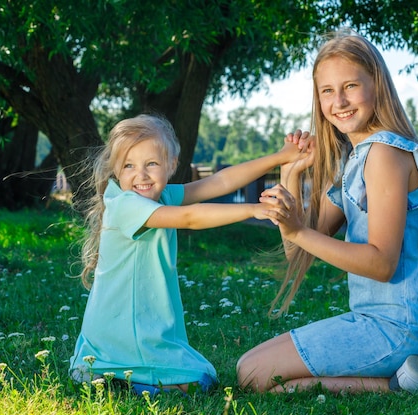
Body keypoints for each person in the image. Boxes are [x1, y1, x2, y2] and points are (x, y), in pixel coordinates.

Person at [236, 30, 418, 394]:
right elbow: (298, 251)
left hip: (399, 330)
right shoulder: (357, 159)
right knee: (251, 371)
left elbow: (381, 263)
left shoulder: (384, 154)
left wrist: (299, 231)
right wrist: (292, 172)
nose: (339, 101)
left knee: (255, 374)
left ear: (377, 86)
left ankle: (400, 384)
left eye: (350, 86)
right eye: (327, 91)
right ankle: (414, 378)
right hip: (383, 324)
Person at [69, 113, 310, 396]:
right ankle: (114, 378)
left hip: (139, 330)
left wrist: (280, 157)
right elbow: (189, 218)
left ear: (171, 165)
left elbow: (220, 182)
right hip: (120, 336)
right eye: (129, 165)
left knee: (202, 376)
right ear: (116, 170)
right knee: (199, 382)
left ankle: (116, 376)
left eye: (152, 164)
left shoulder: (162, 196)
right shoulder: (126, 205)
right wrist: (252, 209)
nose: (141, 175)